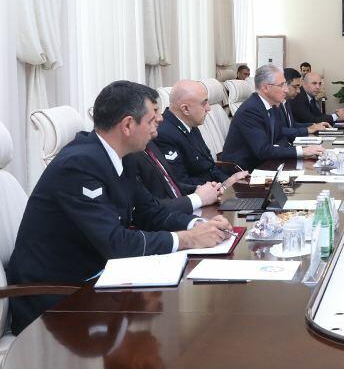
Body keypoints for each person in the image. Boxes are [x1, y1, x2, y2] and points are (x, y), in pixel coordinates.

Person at [6, 81, 232, 334]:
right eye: (152, 121)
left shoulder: (124, 156)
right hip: (57, 299)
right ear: (127, 125)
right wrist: (188, 239)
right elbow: (115, 243)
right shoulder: (78, 165)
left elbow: (151, 212)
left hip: (99, 280)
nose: (157, 130)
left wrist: (199, 225)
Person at [220, 64, 324, 171]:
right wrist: (302, 151)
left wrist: (304, 150)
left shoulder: (270, 105)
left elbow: (280, 136)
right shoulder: (251, 110)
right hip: (242, 172)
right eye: (281, 85)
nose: (286, 90)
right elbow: (263, 150)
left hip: (265, 165)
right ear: (266, 88)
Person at [153, 80, 248, 188]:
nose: (209, 108)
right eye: (204, 103)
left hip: (213, 188)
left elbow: (210, 167)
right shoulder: (163, 134)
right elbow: (181, 184)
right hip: (201, 195)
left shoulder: (189, 122)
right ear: (185, 109)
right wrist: (224, 185)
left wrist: (231, 181)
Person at [279, 68, 332, 138]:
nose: (298, 91)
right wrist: (307, 130)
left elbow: (292, 125)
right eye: (295, 87)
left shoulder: (286, 102)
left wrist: (314, 126)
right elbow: (280, 131)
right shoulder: (278, 104)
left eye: (320, 84)